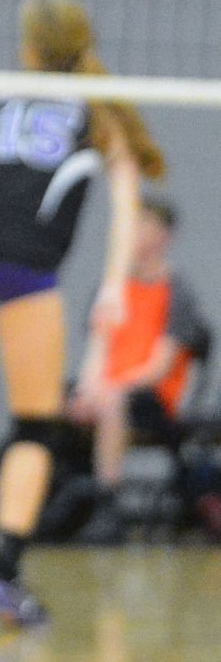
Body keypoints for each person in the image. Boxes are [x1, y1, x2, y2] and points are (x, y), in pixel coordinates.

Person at [0, 0, 164, 626]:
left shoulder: (3, 90)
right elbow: (127, 201)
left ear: (30, 48)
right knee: (34, 427)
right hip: (27, 263)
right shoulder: (101, 114)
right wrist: (112, 284)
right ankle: (1, 572)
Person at [70, 193, 212, 542]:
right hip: (108, 389)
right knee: (52, 403)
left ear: (164, 237)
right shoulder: (113, 289)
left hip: (153, 399)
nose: (132, 234)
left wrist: (108, 390)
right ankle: (50, 505)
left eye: (142, 226)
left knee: (114, 402)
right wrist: (88, 390)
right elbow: (97, 351)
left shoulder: (177, 292)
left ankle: (107, 505)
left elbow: (158, 367)